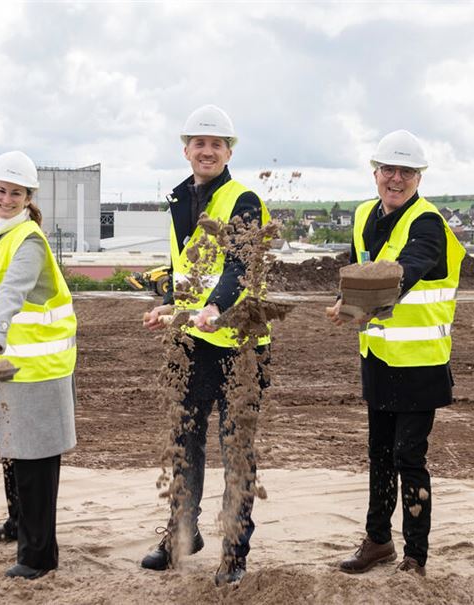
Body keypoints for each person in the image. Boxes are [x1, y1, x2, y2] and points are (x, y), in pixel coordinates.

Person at [140, 104, 270, 586]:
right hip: (190, 343)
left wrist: (215, 307)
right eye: (199, 142)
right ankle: (182, 533)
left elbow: (237, 264)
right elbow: (188, 268)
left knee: (236, 450)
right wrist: (171, 306)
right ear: (186, 149)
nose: (208, 150)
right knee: (183, 442)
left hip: (240, 345)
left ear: (229, 150)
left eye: (217, 143)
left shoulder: (244, 199)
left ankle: (234, 553)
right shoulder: (178, 198)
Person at [327, 130, 465, 577]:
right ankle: (378, 541)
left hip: (421, 362)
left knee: (410, 457)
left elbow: (408, 268)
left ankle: (415, 556)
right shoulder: (365, 213)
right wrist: (346, 301)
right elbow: (358, 267)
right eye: (389, 170)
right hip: (379, 358)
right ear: (376, 173)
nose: (396, 179)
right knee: (379, 453)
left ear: (419, 178)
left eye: (407, 172)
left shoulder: (427, 223)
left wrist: (364, 305)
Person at [0, 150, 78, 580]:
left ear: (28, 197)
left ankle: (38, 555)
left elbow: (13, 292)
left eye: (16, 192)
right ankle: (17, 524)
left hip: (36, 369)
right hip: (6, 363)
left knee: (34, 460)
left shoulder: (27, 240)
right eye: (1, 190)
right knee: (12, 452)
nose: (7, 198)